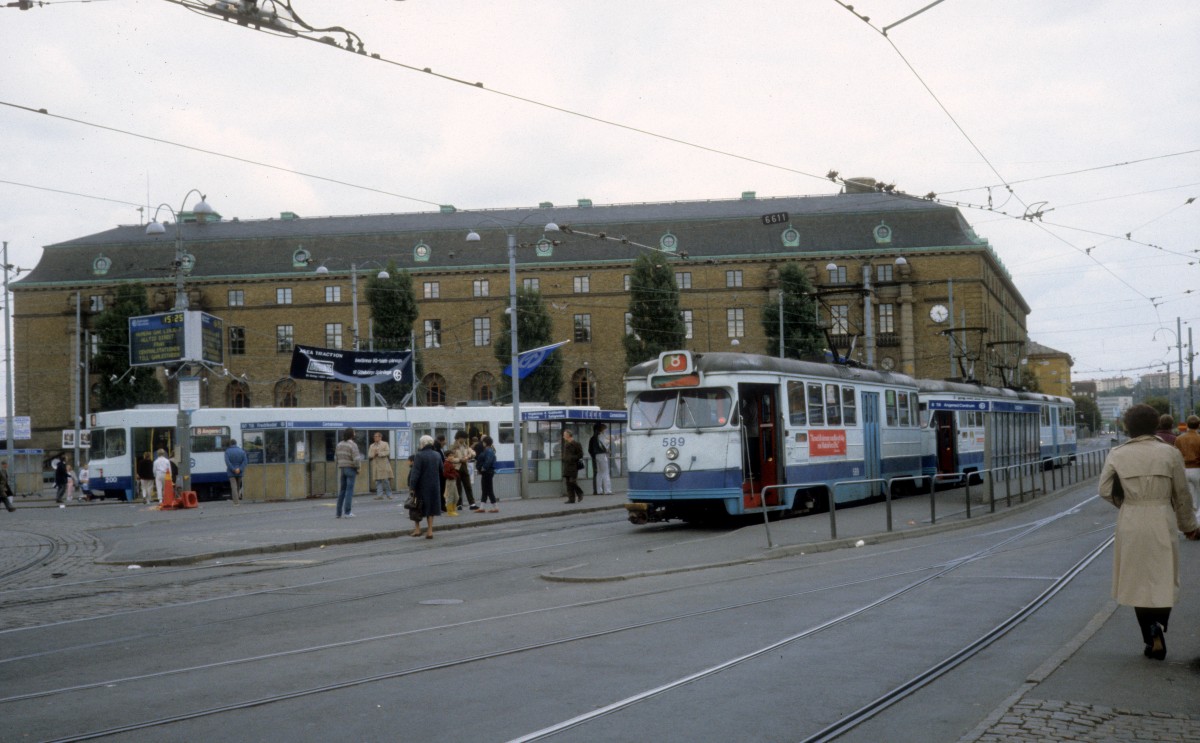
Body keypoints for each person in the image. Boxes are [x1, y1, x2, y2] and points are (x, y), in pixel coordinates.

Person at [1099, 404, 1199, 661]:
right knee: (1163, 575)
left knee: (1137, 579)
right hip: (1162, 517)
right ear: (1155, 424)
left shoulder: (1117, 453)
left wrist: (1127, 504)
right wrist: (1188, 526)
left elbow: (1105, 489)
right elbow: (1182, 495)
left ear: (1127, 427)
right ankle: (1159, 623)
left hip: (1132, 518)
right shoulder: (1169, 452)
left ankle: (1149, 633)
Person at [408, 435, 443, 539]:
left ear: (422, 444)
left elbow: (415, 473)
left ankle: (417, 529)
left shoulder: (419, 455)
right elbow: (441, 469)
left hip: (421, 486)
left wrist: (412, 486)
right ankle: (430, 531)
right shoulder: (437, 455)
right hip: (434, 485)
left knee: (416, 506)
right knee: (431, 507)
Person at [1174, 415, 1200, 514]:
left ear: (1187, 425)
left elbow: (1175, 455)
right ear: (1198, 425)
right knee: (1198, 496)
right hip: (1197, 469)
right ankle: (1198, 521)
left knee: (1190, 496)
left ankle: (1191, 519)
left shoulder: (1179, 439)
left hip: (1184, 469)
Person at [448, 430, 478, 512]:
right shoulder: (452, 447)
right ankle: (459, 504)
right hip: (456, 468)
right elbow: (450, 459)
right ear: (459, 438)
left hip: (464, 467)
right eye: (463, 438)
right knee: (458, 487)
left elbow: (474, 453)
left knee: (468, 486)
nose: (465, 440)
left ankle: (472, 504)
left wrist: (468, 456)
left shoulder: (465, 446)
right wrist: (460, 459)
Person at [334, 427, 361, 519]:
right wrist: (358, 468)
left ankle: (338, 513)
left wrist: (340, 464)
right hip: (351, 468)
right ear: (352, 434)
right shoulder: (353, 445)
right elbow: (356, 459)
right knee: (349, 491)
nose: (355, 434)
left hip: (342, 468)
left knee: (342, 491)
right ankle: (347, 512)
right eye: (354, 433)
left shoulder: (339, 444)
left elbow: (336, 457)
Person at [588, 422, 613, 496]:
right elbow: (604, 446)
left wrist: (593, 456)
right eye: (603, 429)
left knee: (599, 473)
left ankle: (599, 490)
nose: (604, 430)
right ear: (600, 429)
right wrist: (607, 450)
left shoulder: (592, 438)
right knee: (605, 472)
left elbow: (590, 449)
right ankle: (607, 490)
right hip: (602, 455)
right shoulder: (601, 436)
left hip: (596, 456)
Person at [368, 431, 394, 500]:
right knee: (377, 481)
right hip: (376, 465)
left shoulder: (385, 444)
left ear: (380, 437)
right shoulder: (372, 445)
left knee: (386, 480)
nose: (375, 438)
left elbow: (387, 452)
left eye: (376, 436)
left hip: (383, 465)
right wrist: (373, 454)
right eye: (374, 436)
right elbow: (369, 455)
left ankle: (389, 494)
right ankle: (379, 495)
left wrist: (379, 453)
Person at [561, 429, 584, 504]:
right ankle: (571, 499)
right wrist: (564, 458)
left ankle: (580, 493)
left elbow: (580, 454)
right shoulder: (566, 444)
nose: (563, 436)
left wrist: (572, 458)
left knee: (572, 481)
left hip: (573, 465)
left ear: (568, 435)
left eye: (564, 435)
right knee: (568, 483)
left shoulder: (576, 444)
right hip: (567, 465)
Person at [476, 435, 498, 512]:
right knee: (485, 489)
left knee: (488, 490)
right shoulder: (489, 450)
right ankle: (482, 507)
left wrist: (483, 468)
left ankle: (495, 507)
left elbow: (488, 461)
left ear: (485, 443)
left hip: (487, 472)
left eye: (483, 442)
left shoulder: (488, 451)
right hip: (487, 472)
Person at [225, 439, 248, 504]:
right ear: (236, 443)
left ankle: (236, 502)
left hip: (231, 472)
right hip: (240, 472)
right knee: (238, 486)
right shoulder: (242, 451)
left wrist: (233, 469)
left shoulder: (227, 451)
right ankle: (237, 498)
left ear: (230, 444)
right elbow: (245, 461)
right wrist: (239, 469)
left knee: (234, 487)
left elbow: (227, 462)